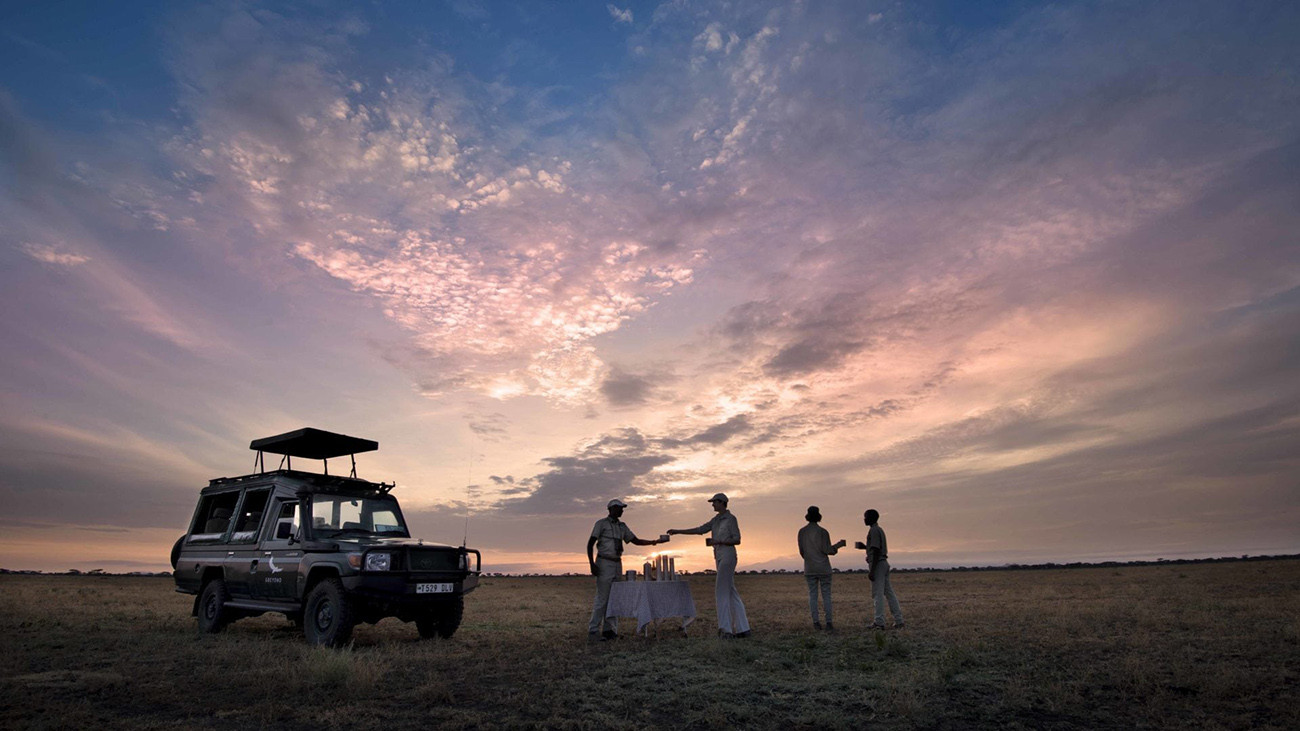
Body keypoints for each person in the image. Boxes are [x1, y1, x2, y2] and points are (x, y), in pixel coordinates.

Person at [667, 493, 750, 638]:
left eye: (714, 502)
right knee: (730, 591)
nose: (712, 505)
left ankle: (725, 629)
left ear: (722, 502)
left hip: (728, 555)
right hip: (718, 555)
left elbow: (737, 540)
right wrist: (678, 531)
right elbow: (700, 530)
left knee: (721, 591)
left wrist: (718, 542)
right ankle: (743, 629)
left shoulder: (731, 519)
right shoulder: (716, 520)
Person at [587, 498, 665, 641]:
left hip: (617, 563)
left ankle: (609, 630)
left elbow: (635, 540)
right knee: (602, 598)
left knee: (614, 598)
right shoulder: (601, 524)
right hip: (604, 562)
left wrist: (654, 542)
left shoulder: (622, 526)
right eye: (620, 508)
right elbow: (590, 543)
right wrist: (592, 564)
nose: (622, 510)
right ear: (612, 509)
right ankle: (593, 630)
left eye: (622, 508)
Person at [797, 506, 847, 631]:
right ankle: (829, 622)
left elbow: (802, 551)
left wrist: (810, 559)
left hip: (810, 568)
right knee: (826, 596)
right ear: (819, 516)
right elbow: (828, 550)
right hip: (824, 567)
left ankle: (816, 622)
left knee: (812, 596)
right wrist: (839, 545)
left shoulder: (802, 532)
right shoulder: (823, 532)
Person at [854, 509, 904, 630]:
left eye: (865, 517)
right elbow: (875, 548)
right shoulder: (878, 530)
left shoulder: (874, 530)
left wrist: (872, 570)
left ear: (871, 518)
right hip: (883, 563)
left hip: (878, 565)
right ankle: (899, 620)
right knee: (889, 593)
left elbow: (876, 550)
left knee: (877, 594)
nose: (864, 519)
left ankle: (879, 622)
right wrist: (865, 547)